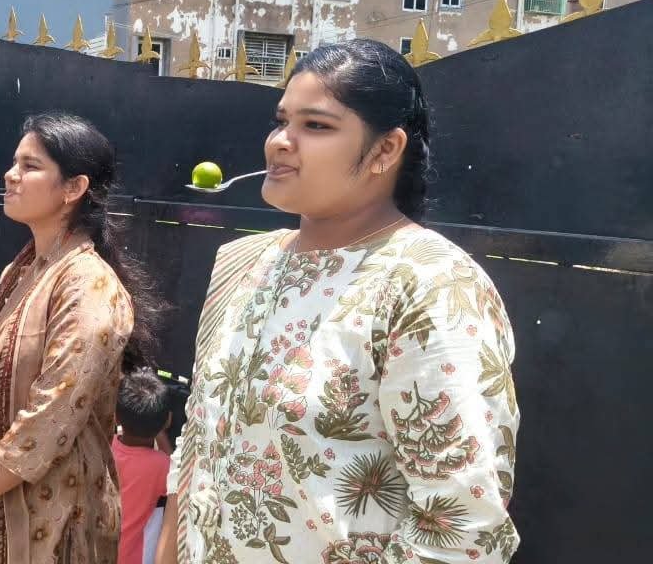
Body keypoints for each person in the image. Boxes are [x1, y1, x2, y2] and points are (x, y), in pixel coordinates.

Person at [154, 39, 520, 563]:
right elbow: (199, 444)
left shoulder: (430, 284)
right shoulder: (246, 261)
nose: (280, 142)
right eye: (281, 121)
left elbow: (463, 528)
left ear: (385, 150)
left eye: (316, 125)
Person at [0, 113, 164, 564]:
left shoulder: (89, 286)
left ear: (74, 188)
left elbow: (47, 422)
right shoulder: (21, 271)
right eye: (14, 162)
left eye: (30, 165)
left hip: (53, 527)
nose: (10, 174)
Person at [111, 371, 172, 564]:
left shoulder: (105, 447)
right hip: (132, 556)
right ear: (167, 420)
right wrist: (161, 434)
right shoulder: (160, 465)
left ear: (116, 417)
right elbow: (177, 477)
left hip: (98, 550)